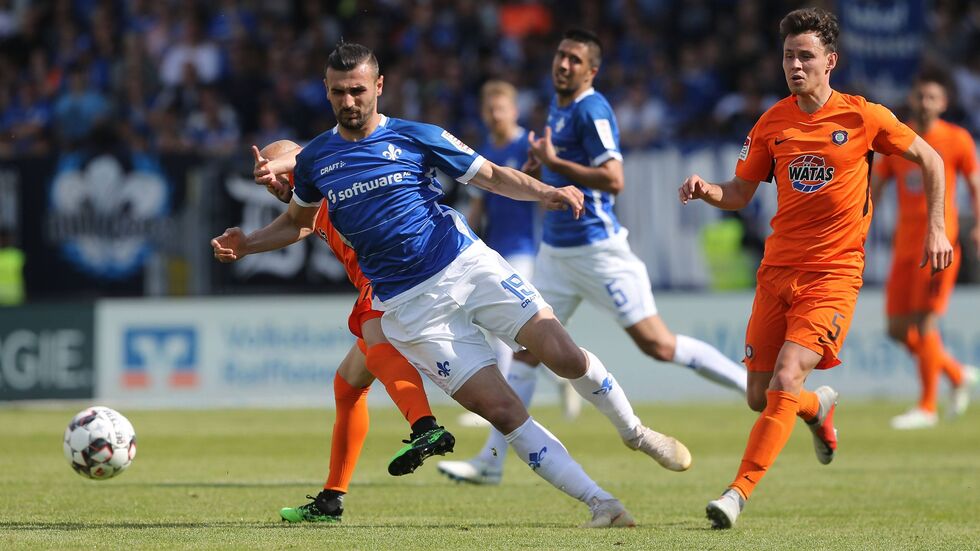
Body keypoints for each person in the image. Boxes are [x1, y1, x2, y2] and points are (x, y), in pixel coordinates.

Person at [225, 41, 694, 527]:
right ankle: (603, 505)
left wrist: (546, 191)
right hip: (411, 310)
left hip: (467, 266)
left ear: (379, 86)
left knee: (564, 355)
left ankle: (635, 433)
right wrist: (248, 243)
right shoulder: (316, 161)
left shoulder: (416, 136)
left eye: (358, 90)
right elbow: (296, 222)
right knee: (504, 411)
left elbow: (490, 175)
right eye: (339, 92)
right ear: (326, 91)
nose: (349, 101)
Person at [678, 8, 954, 529]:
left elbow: (932, 160)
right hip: (776, 272)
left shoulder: (864, 117)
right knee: (761, 395)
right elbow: (739, 192)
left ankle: (737, 493)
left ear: (831, 61)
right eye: (788, 56)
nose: (795, 65)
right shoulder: (771, 122)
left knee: (787, 375)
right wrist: (707, 189)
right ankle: (816, 408)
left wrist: (937, 228)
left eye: (806, 56)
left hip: (833, 275)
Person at [438, 29, 746, 487]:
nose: (563, 65)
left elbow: (613, 178)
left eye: (575, 60)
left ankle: (750, 387)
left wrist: (556, 163)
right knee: (526, 354)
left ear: (592, 71)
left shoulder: (592, 109)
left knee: (658, 345)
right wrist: (541, 166)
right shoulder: (558, 106)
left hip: (598, 250)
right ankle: (492, 461)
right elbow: (559, 163)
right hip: (556, 253)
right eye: (561, 56)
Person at [214, 140, 456, 523]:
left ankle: (425, 427)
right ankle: (331, 499)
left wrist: (278, 165)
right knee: (347, 384)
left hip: (389, 277)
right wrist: (246, 246)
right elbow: (297, 225)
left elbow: (304, 156)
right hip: (385, 280)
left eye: (277, 177)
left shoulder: (325, 172)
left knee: (374, 337)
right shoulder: (311, 199)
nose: (273, 187)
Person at [871, 71, 980, 430]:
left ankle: (928, 406)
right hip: (904, 246)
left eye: (932, 97)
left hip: (939, 246)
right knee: (896, 329)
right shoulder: (899, 138)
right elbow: (877, 185)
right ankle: (956, 373)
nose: (925, 103)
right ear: (912, 99)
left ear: (944, 103)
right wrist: (859, 221)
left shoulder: (957, 139)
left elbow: (975, 183)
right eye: (920, 96)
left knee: (924, 322)